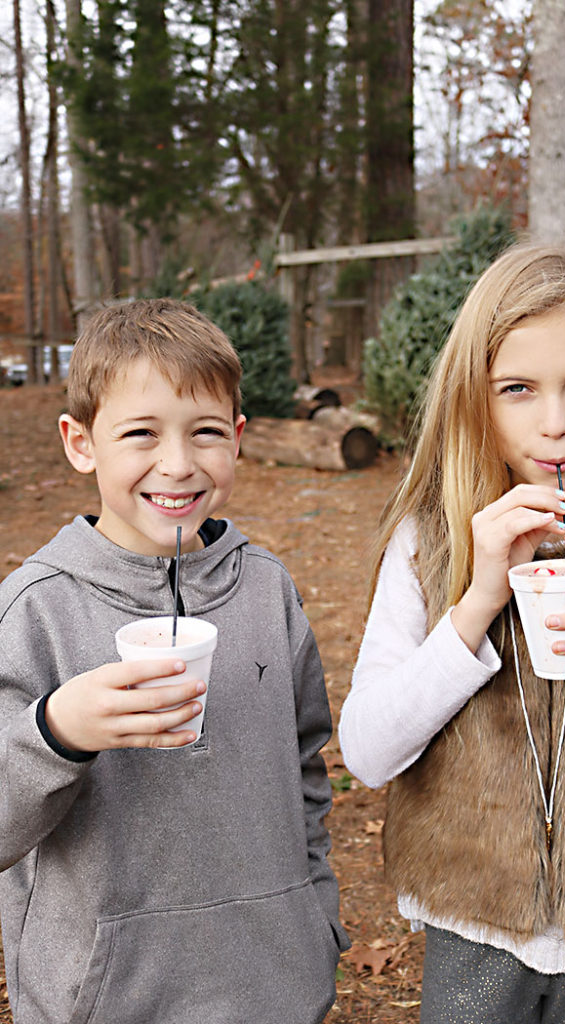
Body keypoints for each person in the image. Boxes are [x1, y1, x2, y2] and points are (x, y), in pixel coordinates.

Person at [339, 244, 565, 1024]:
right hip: (473, 917)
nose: (554, 423)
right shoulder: (429, 539)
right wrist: (476, 601)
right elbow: (364, 753)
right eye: (517, 390)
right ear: (476, 401)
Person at [0, 298, 348, 1024]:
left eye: (206, 433)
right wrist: (57, 730)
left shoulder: (266, 589)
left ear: (239, 439)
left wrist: (315, 924)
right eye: (140, 433)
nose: (179, 464)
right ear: (80, 442)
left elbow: (305, 766)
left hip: (277, 988)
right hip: (107, 1001)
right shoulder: (36, 610)